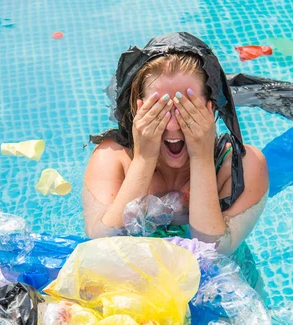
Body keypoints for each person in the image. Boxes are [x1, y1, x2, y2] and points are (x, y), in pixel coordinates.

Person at [83, 32, 268, 286]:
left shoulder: (241, 166)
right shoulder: (114, 158)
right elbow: (102, 242)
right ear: (138, 110)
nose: (172, 126)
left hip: (223, 289)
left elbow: (213, 250)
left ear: (210, 107)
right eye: (160, 109)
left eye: (186, 108)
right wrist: (143, 159)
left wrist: (201, 158)